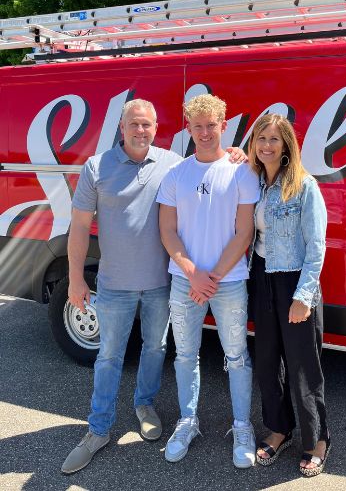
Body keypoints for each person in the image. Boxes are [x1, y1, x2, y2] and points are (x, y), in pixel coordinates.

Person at [59, 100, 181, 474]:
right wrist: (76, 278)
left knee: (156, 347)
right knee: (109, 357)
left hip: (160, 283)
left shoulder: (173, 164)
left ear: (156, 126)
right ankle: (98, 430)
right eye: (133, 124)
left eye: (146, 124)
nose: (140, 131)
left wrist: (237, 154)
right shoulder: (97, 166)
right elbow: (79, 226)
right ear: (122, 127)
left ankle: (144, 405)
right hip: (113, 285)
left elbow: (212, 170)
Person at [157, 94, 260, 467]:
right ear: (188, 127)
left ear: (223, 125)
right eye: (197, 126)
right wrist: (192, 272)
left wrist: (212, 277)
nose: (204, 132)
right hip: (185, 281)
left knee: (236, 356)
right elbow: (167, 230)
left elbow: (243, 232)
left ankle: (242, 426)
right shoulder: (176, 174)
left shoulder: (241, 171)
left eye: (210, 125)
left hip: (228, 281)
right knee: (185, 355)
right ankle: (188, 422)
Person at [245, 114, 332, 476]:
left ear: (286, 146)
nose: (267, 145)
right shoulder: (253, 182)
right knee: (266, 362)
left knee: (302, 365)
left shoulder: (304, 185)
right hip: (261, 277)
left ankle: (318, 439)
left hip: (295, 280)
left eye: (274, 139)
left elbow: (317, 245)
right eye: (261, 138)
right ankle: (279, 428)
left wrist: (304, 296)